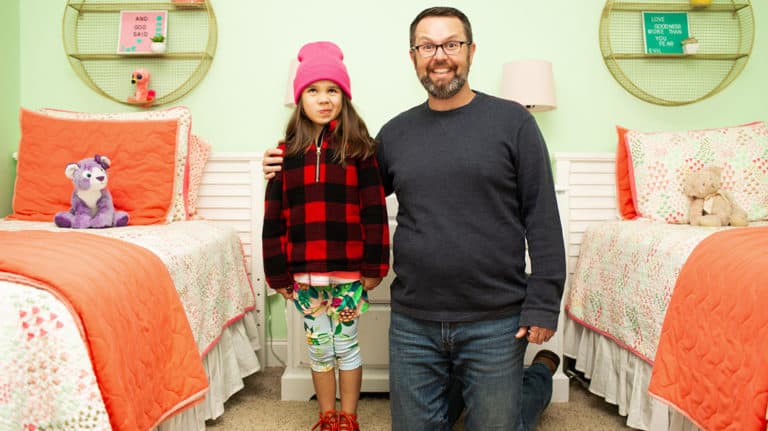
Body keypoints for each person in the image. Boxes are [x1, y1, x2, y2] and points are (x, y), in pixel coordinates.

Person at [263, 7, 565, 430]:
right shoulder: (395, 134)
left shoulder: (514, 123)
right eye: (427, 46)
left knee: (497, 423)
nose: (439, 55)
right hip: (415, 321)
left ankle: (536, 377)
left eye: (451, 44)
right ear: (413, 57)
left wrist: (543, 304)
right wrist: (287, 166)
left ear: (471, 51)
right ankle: (464, 387)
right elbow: (348, 189)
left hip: (494, 319)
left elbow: (543, 217)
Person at [262, 41, 390, 431]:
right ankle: (327, 416)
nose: (323, 99)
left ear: (344, 97)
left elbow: (375, 212)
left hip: (348, 273)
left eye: (332, 90)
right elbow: (273, 219)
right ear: (300, 99)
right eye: (313, 91)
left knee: (346, 347)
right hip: (305, 276)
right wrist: (277, 273)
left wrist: (375, 267)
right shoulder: (285, 155)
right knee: (319, 351)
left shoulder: (361, 151)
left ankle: (349, 417)